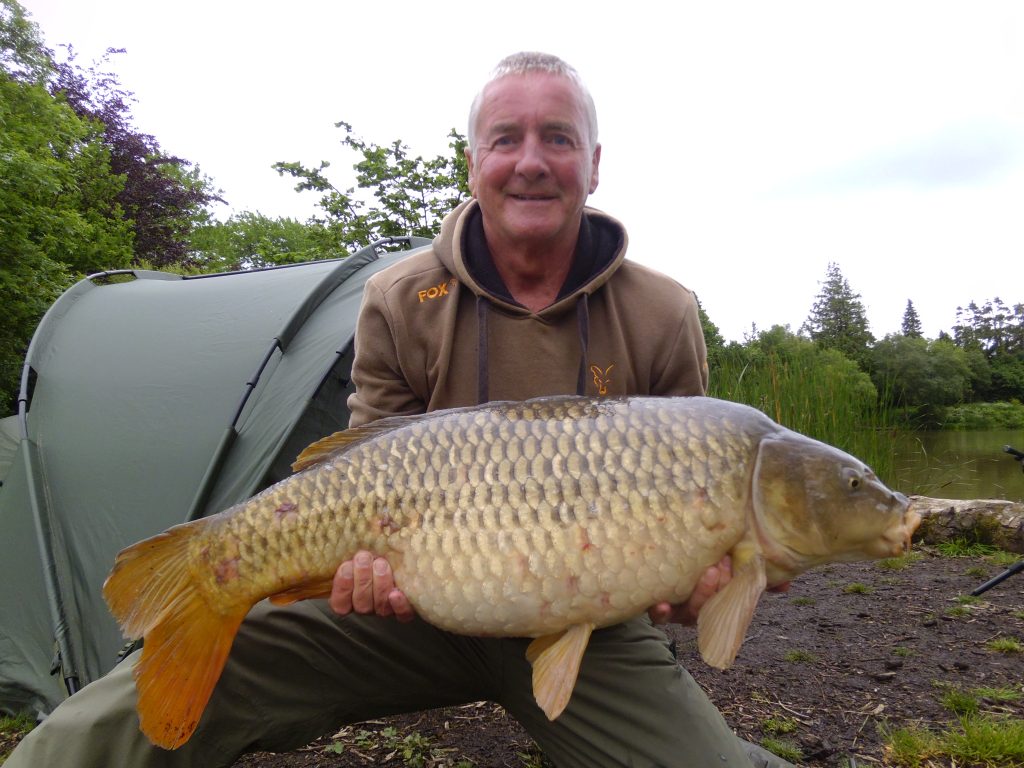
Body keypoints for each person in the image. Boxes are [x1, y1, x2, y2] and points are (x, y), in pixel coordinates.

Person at [6, 52, 792, 768]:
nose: (530, 162)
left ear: (593, 163)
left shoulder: (661, 310)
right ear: (473, 161)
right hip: (409, 609)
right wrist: (357, 571)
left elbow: (693, 516)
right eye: (504, 139)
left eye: (557, 138)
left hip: (580, 620)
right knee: (117, 721)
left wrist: (695, 584)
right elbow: (360, 464)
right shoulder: (400, 297)